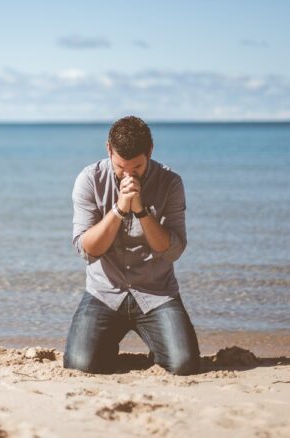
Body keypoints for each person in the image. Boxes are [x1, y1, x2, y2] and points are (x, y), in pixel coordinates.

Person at [63, 115, 200, 375]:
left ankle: (158, 345)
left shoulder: (170, 182)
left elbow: (172, 250)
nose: (128, 175)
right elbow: (87, 248)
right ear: (109, 150)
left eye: (136, 167)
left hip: (156, 293)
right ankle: (105, 346)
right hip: (104, 293)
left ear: (150, 151)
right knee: (79, 366)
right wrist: (118, 209)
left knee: (184, 365)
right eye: (120, 166)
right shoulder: (90, 179)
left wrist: (141, 211)